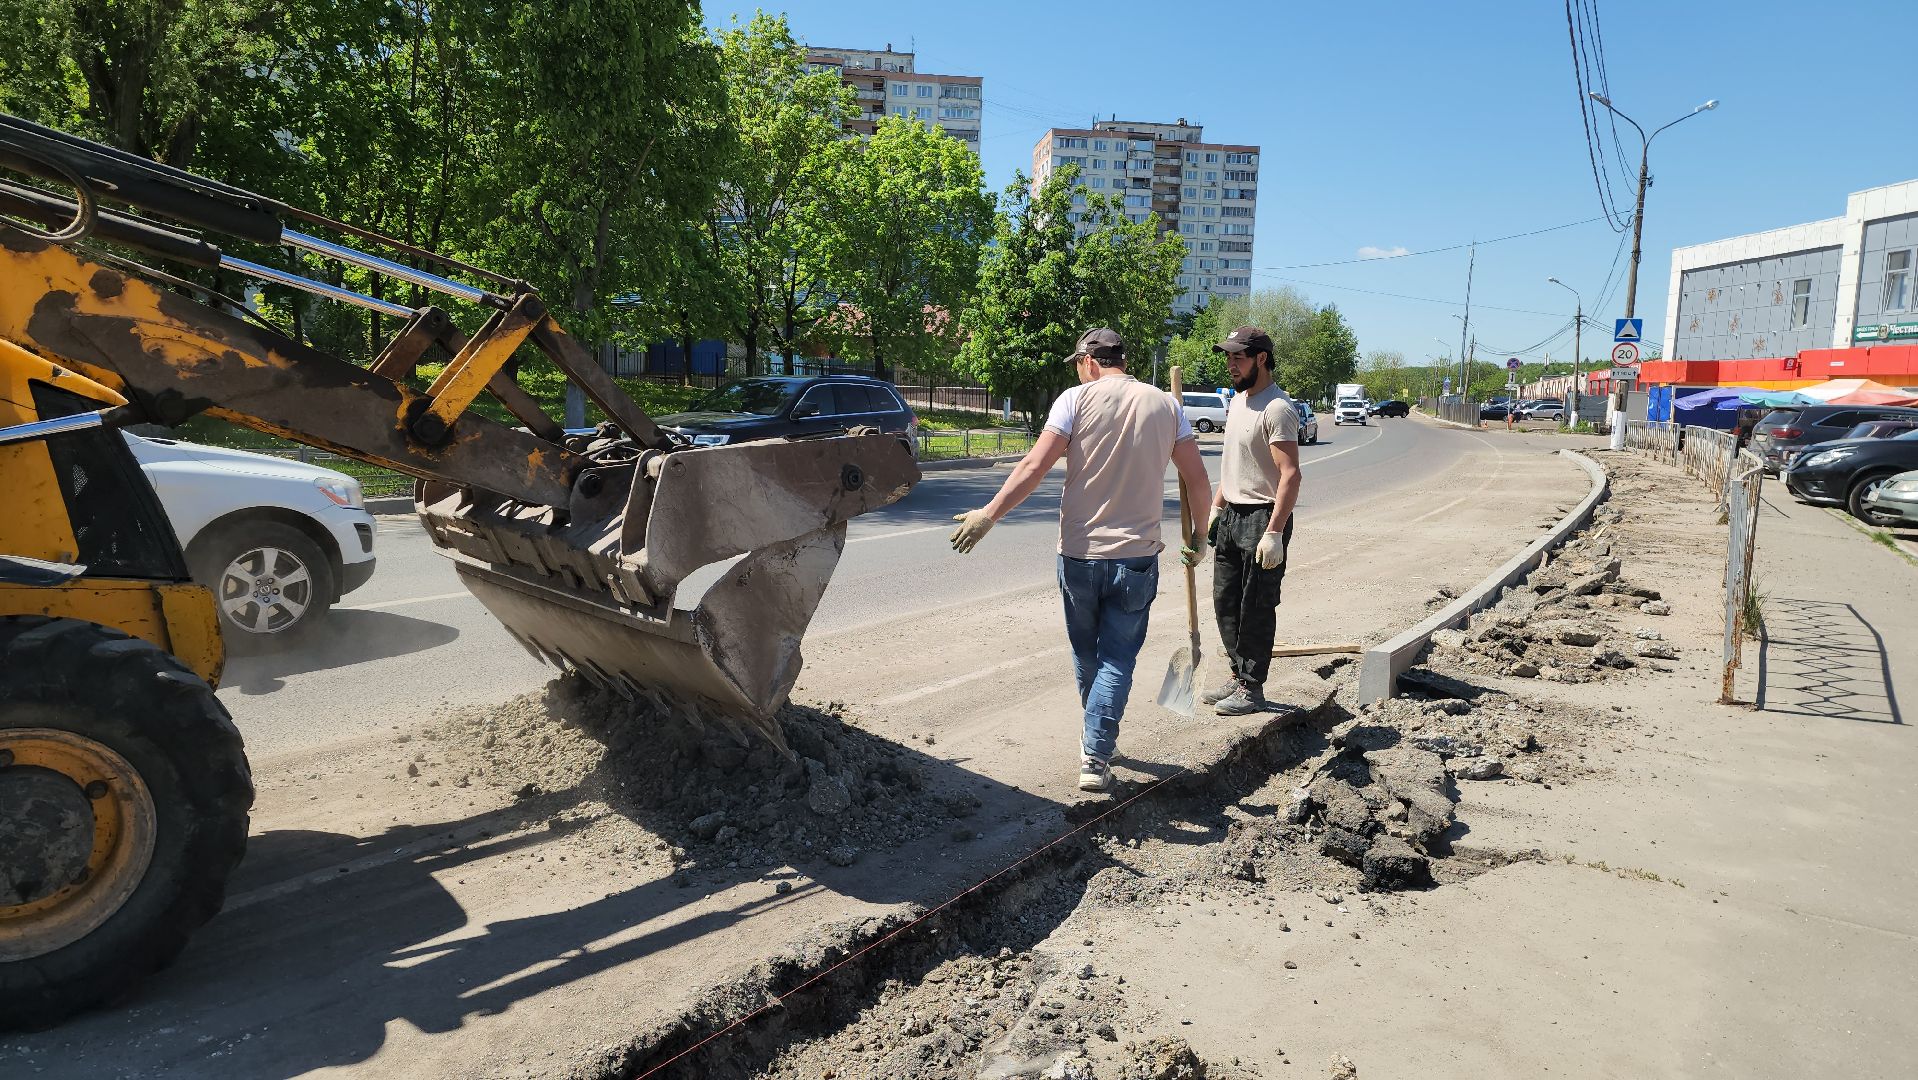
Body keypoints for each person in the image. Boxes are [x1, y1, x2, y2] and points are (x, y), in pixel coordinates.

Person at [950, 327, 1213, 793]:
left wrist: (988, 515)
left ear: (1089, 360)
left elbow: (1034, 466)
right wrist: (1199, 536)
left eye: (1077, 363)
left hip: (1078, 555)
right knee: (1117, 657)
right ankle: (1097, 746)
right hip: (1135, 557)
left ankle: (1095, 742)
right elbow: (1196, 478)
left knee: (1087, 652)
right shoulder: (1166, 406)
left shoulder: (1074, 400)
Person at [1201, 326, 1303, 716]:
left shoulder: (1277, 408)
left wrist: (1274, 531)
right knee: (1226, 602)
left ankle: (1252, 688)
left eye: (1237, 357)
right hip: (1232, 514)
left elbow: (1290, 474)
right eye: (1227, 357)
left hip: (1263, 517)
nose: (1230, 364)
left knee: (1256, 606)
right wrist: (1215, 508)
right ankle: (1236, 674)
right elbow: (1234, 466)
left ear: (1261, 358)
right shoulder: (1239, 402)